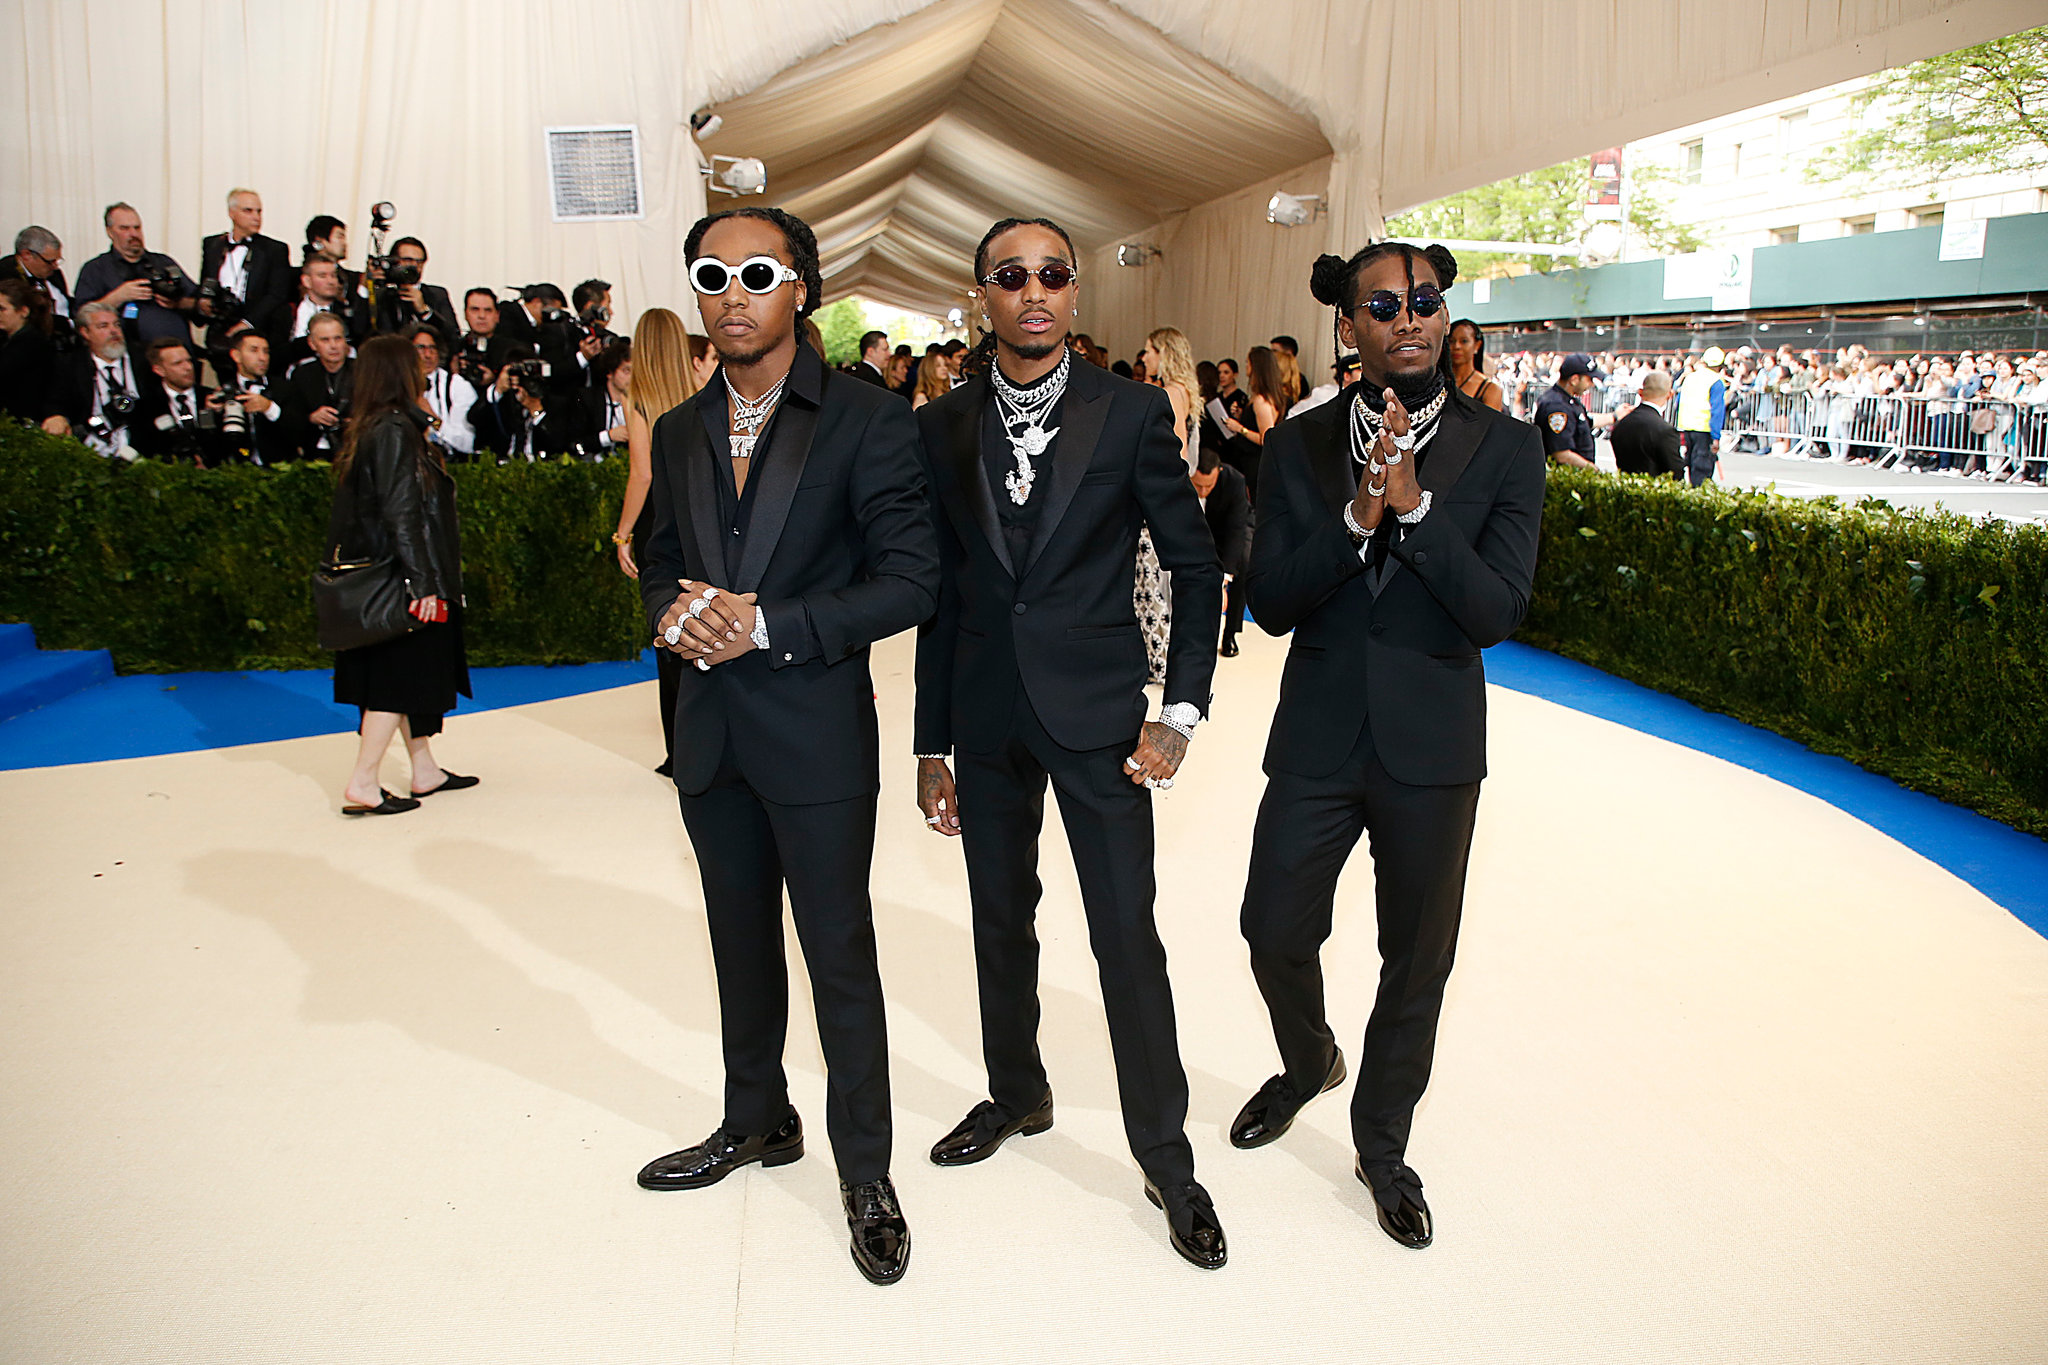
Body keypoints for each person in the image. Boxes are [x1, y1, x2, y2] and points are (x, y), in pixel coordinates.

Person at [912, 216, 1227, 1272]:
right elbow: (945, 593)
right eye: (1012, 276)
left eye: (1052, 273)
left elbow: (1193, 564)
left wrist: (1179, 709)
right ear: (983, 296)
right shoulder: (943, 424)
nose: (1034, 290)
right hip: (985, 716)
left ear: (1075, 293)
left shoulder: (1130, 412)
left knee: (1124, 935)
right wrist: (930, 741)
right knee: (999, 921)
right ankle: (1017, 1091)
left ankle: (1167, 1159)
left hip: (1099, 717)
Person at [634, 206, 937, 1289]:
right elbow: (656, 557)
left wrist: (767, 624)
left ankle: (866, 1172)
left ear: (800, 287)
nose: (732, 295)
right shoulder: (678, 429)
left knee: (837, 954)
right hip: (709, 733)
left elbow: (911, 580)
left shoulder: (868, 420)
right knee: (737, 943)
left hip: (814, 734)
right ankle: (757, 1118)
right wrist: (674, 612)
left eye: (756, 274)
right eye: (710, 276)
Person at [1234, 241, 1543, 1253]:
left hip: (1433, 743)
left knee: (1415, 958)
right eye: (1382, 304)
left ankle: (1381, 1143)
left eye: (1423, 300)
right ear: (1348, 324)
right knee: (1271, 927)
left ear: (1442, 314)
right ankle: (1307, 1060)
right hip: (1318, 734)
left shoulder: (1506, 449)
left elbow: (1495, 610)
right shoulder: (1298, 445)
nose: (1407, 317)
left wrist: (1413, 508)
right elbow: (1271, 604)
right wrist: (1356, 518)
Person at [326, 334, 475, 816]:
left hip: (394, 573)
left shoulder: (379, 425)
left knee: (403, 675)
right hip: (401, 578)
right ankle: (364, 781)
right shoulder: (393, 429)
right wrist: (423, 583)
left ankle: (424, 769)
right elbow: (401, 512)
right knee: (399, 679)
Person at [612, 311, 711, 777]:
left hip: (660, 525)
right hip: (703, 520)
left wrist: (622, 534)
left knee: (668, 632)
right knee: (703, 626)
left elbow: (642, 474)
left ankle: (680, 754)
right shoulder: (705, 393)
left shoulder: (639, 401)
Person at [1136, 327, 1201, 684]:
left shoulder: (1171, 393)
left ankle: (1158, 661)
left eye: (1149, 350)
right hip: (1170, 497)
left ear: (1164, 353)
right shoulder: (1182, 391)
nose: (1144, 356)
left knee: (1150, 582)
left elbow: (1176, 451)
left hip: (1160, 500)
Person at [73, 203, 199, 349]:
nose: (133, 234)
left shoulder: (163, 262)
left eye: (137, 228)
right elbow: (81, 316)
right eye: (124, 228)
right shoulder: (96, 269)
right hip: (127, 353)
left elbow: (199, 303)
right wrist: (118, 297)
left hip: (176, 352)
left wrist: (178, 302)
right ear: (110, 232)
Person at [198, 189, 293, 353]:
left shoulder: (275, 249)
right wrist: (203, 302)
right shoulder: (212, 244)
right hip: (220, 326)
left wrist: (246, 324)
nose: (256, 217)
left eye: (259, 211)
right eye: (248, 211)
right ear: (231, 213)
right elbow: (206, 282)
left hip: (258, 327)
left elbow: (277, 294)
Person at [55, 301, 144, 456]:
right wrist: (56, 416)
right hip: (92, 445)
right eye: (103, 326)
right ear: (85, 332)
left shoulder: (143, 358)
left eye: (116, 325)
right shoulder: (70, 365)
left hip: (143, 439)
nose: (113, 331)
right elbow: (55, 400)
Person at [1191, 446, 1250, 657]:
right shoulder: (1179, 480)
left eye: (1209, 485)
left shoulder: (1234, 482)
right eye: (1198, 485)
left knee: (1243, 562)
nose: (1203, 491)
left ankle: (1230, 633)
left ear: (1219, 473)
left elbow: (1235, 531)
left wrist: (1224, 579)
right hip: (1192, 534)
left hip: (1225, 532)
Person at [280, 312, 356, 461]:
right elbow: (293, 418)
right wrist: (312, 418)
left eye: (338, 338)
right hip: (315, 450)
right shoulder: (302, 374)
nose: (333, 346)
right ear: (312, 344)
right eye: (325, 340)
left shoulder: (363, 370)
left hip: (355, 448)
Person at [132, 337, 217, 465]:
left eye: (189, 361)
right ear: (159, 370)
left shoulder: (212, 398)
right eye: (178, 363)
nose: (188, 367)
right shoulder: (145, 408)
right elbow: (146, 450)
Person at [367, 237, 459, 351]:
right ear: (394, 262)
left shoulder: (438, 295)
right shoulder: (381, 296)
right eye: (408, 260)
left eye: (419, 262)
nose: (414, 266)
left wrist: (425, 311)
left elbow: (453, 337)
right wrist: (368, 283)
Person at [217, 329, 291, 464]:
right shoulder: (224, 391)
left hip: (280, 469)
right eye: (254, 350)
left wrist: (269, 408)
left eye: (266, 352)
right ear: (236, 356)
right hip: (238, 469)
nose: (263, 358)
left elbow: (299, 433)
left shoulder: (285, 388)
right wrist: (213, 414)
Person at [0, 278, 64, 430]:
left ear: (23, 311)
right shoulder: (8, 341)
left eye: (2, 309)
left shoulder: (32, 344)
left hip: (23, 425)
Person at [281, 255, 364, 368]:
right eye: (322, 276)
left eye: (333, 276)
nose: (331, 281)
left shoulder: (348, 312)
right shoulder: (288, 312)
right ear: (307, 281)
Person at [412, 325, 479, 461]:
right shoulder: (396, 386)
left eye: (432, 348)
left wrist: (434, 420)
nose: (428, 355)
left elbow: (467, 443)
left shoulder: (457, 386)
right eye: (420, 348)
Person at [2, 226, 74, 347]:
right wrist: (68, 323)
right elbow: (30, 317)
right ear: (26, 255)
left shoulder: (54, 273)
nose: (55, 266)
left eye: (57, 261)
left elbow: (66, 302)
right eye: (49, 261)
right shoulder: (6, 275)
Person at [1610, 370, 1684, 477]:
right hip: (1653, 485)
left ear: (1640, 392)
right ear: (1670, 395)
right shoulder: (1665, 431)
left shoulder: (1622, 423)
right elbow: (1675, 471)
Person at [1533, 353, 1601, 469]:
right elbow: (1562, 454)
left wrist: (1615, 416)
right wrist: (1593, 469)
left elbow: (1587, 421)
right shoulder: (1556, 406)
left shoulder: (1568, 401)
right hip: (1569, 472)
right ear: (1574, 379)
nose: (1591, 384)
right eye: (1589, 379)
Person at [1676, 346, 1728, 485]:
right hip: (1704, 428)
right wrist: (1716, 437)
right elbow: (1717, 410)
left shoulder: (1690, 377)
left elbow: (1678, 402)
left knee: (1690, 461)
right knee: (1702, 466)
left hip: (1687, 425)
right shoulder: (1716, 381)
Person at [1213, 356, 1259, 497]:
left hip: (1236, 449)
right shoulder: (1217, 397)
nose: (1222, 376)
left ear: (1235, 374)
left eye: (1226, 372)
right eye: (1219, 372)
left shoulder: (1242, 397)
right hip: (1219, 447)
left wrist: (1239, 420)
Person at [1443, 319, 1503, 410]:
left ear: (1477, 345)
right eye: (1451, 341)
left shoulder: (1490, 389)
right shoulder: (1437, 383)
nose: (1456, 346)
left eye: (1464, 341)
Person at [911, 344, 951, 409]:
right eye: (938, 366)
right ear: (929, 369)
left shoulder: (948, 391)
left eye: (945, 365)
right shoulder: (922, 397)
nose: (944, 368)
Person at [1269, 334, 1303, 410]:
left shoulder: (1299, 381)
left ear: (1288, 354)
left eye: (1275, 351)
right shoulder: (1271, 377)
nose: (1271, 355)